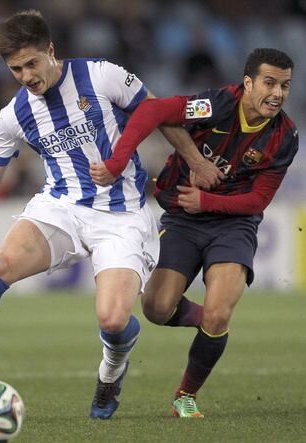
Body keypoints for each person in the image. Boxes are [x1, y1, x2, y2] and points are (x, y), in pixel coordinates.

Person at [0, 10, 222, 419]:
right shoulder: (14, 115)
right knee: (1, 265)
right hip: (61, 207)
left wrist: (195, 160)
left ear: (51, 50)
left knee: (114, 318)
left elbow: (158, 113)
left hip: (121, 215)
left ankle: (110, 375)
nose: (27, 75)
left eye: (32, 63)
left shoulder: (101, 76)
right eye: (16, 69)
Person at [90, 48, 298, 417]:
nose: (277, 93)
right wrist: (117, 160)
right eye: (269, 83)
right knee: (155, 307)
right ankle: (211, 321)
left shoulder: (284, 136)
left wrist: (208, 202)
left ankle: (186, 394)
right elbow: (153, 111)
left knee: (219, 315)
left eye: (285, 85)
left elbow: (257, 201)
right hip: (184, 219)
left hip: (234, 225)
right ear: (248, 83)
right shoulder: (216, 105)